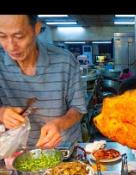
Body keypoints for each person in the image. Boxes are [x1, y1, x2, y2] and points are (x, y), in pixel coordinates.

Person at [0, 15, 87, 149]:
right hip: (17, 152)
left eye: (19, 36)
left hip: (64, 149)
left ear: (36, 29)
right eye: (2, 36)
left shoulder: (64, 60)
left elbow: (79, 108)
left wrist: (59, 124)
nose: (11, 46)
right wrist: (2, 113)